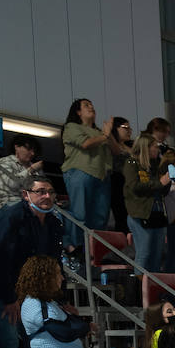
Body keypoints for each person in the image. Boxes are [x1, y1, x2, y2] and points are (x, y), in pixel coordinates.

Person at [0, 176, 65, 348]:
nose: (47, 196)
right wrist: (9, 298)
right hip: (5, 288)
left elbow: (54, 264)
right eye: (40, 192)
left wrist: (62, 299)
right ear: (25, 194)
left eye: (50, 192)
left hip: (34, 293)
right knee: (10, 342)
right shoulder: (11, 216)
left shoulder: (53, 222)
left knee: (35, 343)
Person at [59, 98, 117, 250]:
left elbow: (117, 150)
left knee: (100, 218)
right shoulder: (71, 127)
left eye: (92, 105)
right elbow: (85, 144)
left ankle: (94, 253)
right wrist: (104, 136)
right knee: (80, 214)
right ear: (78, 112)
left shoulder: (101, 132)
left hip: (102, 176)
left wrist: (108, 134)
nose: (91, 107)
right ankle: (77, 250)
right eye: (86, 106)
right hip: (80, 172)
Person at [15, 255, 88, 348]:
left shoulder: (49, 302)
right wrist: (85, 327)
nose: (62, 278)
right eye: (58, 273)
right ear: (45, 277)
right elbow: (61, 330)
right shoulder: (32, 304)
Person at [122, 134, 172, 271]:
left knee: (157, 256)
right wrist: (159, 183)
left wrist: (167, 182)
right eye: (155, 147)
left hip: (157, 214)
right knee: (144, 253)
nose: (158, 150)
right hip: (140, 214)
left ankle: (152, 288)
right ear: (146, 148)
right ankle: (139, 288)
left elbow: (161, 190)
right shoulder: (131, 163)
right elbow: (135, 187)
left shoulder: (154, 167)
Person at [0, 136, 45, 211]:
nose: (32, 153)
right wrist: (31, 169)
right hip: (10, 206)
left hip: (32, 206)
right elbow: (13, 184)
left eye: (34, 151)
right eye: (28, 149)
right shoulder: (4, 162)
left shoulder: (35, 167)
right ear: (16, 147)